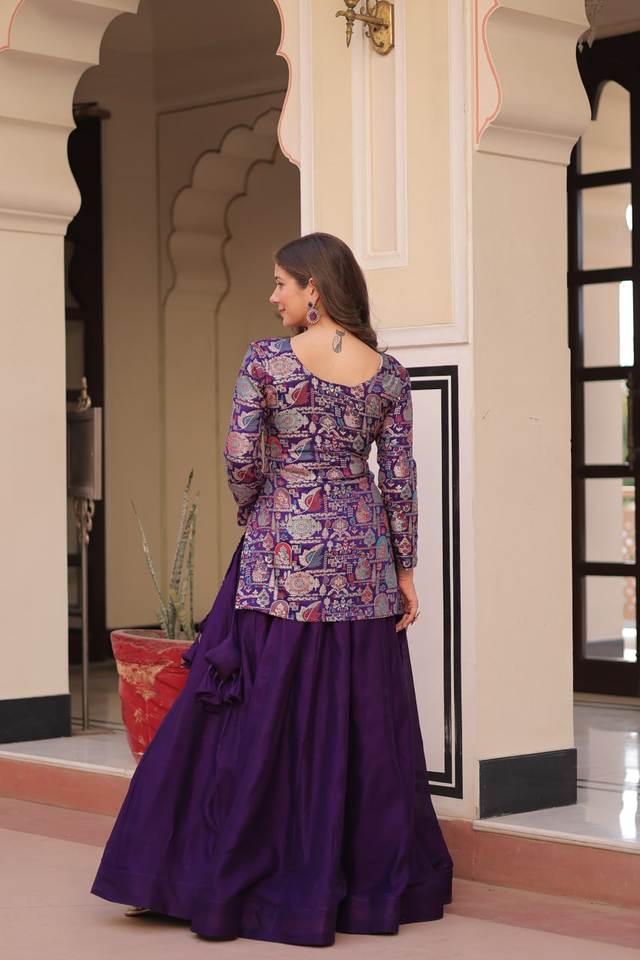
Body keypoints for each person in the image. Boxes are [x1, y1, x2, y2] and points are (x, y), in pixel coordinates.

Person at [90, 231, 454, 947]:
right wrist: (406, 567)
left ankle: (209, 873)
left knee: (253, 714)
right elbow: (400, 479)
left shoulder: (267, 360)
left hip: (279, 557)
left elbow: (238, 457)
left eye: (282, 283)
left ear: (314, 288)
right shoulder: (389, 374)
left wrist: (262, 509)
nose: (273, 296)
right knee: (357, 720)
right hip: (362, 566)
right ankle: (355, 886)